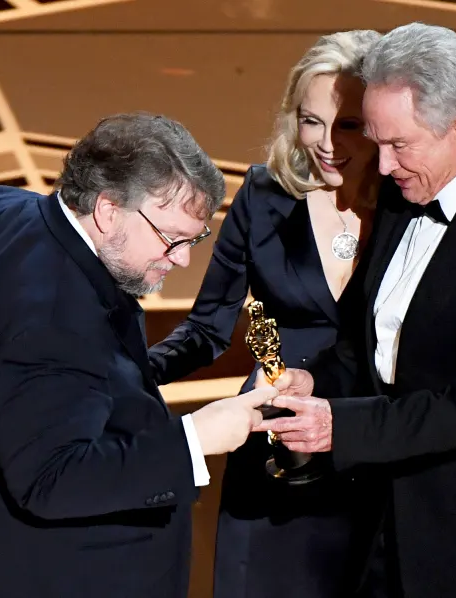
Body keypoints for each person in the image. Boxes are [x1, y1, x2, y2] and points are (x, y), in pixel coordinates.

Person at [0, 113, 278, 598]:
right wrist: (194, 440)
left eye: (194, 240)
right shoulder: (60, 312)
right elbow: (53, 480)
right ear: (107, 211)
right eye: (172, 237)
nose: (181, 258)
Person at [254, 23, 456, 598]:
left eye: (399, 145)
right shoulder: (404, 190)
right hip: (390, 507)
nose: (380, 167)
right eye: (377, 141)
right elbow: (372, 337)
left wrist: (343, 425)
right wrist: (318, 379)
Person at [148, 30, 382, 598]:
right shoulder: (264, 194)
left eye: (348, 124)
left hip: (377, 441)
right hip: (276, 432)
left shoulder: (414, 204)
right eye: (311, 121)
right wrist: (121, 367)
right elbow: (208, 328)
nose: (326, 144)